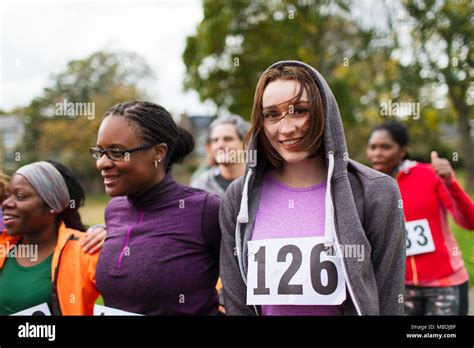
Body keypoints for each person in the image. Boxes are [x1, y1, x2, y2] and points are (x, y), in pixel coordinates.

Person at [219, 60, 406, 316]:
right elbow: (237, 300)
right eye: (272, 114)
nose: (287, 127)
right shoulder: (238, 197)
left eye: (299, 110)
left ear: (323, 111)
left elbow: (387, 297)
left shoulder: (376, 191)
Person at [92, 101, 221, 315]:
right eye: (100, 152)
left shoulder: (206, 210)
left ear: (158, 152)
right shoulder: (113, 210)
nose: (102, 163)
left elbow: (243, 284)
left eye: (117, 152)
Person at [367, 121, 474, 315]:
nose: (377, 153)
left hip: (444, 284)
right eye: (373, 147)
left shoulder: (429, 175)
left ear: (402, 151)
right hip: (400, 286)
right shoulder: (369, 186)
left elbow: (469, 221)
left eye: (385, 147)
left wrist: (450, 182)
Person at [0, 161, 100, 315]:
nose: (6, 203)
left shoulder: (87, 250)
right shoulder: (3, 247)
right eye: (7, 196)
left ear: (52, 205)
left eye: (20, 196)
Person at [191, 115, 250, 197]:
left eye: (228, 139)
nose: (220, 145)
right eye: (215, 140)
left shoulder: (260, 183)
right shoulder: (200, 187)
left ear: (245, 143)